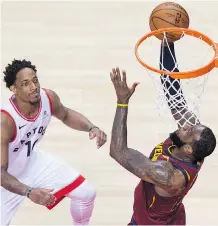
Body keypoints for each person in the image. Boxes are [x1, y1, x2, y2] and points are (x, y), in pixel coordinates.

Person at [109, 42, 216, 225]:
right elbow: (173, 91)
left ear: (188, 150)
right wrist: (168, 40)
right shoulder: (195, 146)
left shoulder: (166, 174)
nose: (186, 125)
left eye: (189, 131)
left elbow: (117, 151)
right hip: (170, 217)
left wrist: (122, 102)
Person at [1, 59, 107, 225]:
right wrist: (29, 192)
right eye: (25, 83)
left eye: (35, 80)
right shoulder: (5, 121)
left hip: (31, 163)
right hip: (4, 181)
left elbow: (65, 114)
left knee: (86, 193)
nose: (34, 87)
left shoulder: (47, 97)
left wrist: (91, 128)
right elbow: (1, 173)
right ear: (13, 89)